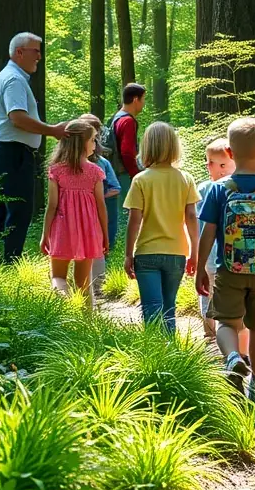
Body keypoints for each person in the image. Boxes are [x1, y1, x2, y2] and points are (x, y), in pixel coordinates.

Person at [196, 117, 255, 390]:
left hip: (228, 267)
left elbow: (208, 232)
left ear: (229, 152)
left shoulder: (217, 189)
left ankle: (233, 356)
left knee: (226, 322)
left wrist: (201, 267)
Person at [0, 33, 67, 263]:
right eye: (35, 51)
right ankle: (10, 263)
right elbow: (17, 117)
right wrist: (53, 130)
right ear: (19, 52)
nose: (40, 56)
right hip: (12, 153)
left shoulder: (10, 76)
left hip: (0, 151)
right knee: (18, 210)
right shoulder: (14, 80)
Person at [124, 122, 200, 333]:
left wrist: (128, 254)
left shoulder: (141, 180)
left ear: (146, 147)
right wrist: (195, 252)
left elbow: (134, 221)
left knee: (151, 309)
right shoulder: (185, 179)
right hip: (177, 253)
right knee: (169, 308)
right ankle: (171, 355)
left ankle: (155, 356)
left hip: (147, 253)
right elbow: (192, 217)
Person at [39, 118, 108, 309]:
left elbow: (51, 206)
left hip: (61, 230)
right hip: (89, 232)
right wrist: (104, 235)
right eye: (93, 139)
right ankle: (87, 323)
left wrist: (45, 235)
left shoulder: (56, 171)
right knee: (83, 282)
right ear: (82, 142)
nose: (96, 144)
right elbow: (100, 205)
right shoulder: (95, 171)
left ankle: (64, 306)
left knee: (58, 277)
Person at [196, 138, 249, 361]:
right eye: (208, 162)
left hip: (211, 259)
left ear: (226, 166)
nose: (208, 166)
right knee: (235, 305)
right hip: (239, 259)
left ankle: (216, 344)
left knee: (209, 301)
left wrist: (196, 259)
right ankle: (239, 349)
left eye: (214, 163)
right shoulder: (247, 189)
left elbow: (202, 228)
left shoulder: (206, 189)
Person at [79, 113, 121, 304]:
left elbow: (115, 188)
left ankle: (98, 287)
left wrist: (96, 198)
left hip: (95, 214)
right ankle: (81, 287)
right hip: (77, 215)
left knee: (96, 247)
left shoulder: (102, 164)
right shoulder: (67, 166)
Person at [106, 83, 146, 206]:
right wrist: (136, 175)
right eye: (143, 99)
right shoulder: (127, 121)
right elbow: (127, 153)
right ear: (135, 99)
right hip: (124, 175)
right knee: (127, 212)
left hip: (114, 173)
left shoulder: (116, 117)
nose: (144, 103)